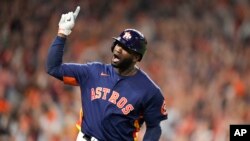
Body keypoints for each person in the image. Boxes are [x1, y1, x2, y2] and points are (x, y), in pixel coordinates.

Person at [46, 6, 168, 141]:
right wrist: (62, 33)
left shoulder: (149, 90)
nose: (119, 49)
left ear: (136, 57)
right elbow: (53, 68)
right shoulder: (93, 71)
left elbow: (154, 126)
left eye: (125, 48)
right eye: (118, 44)